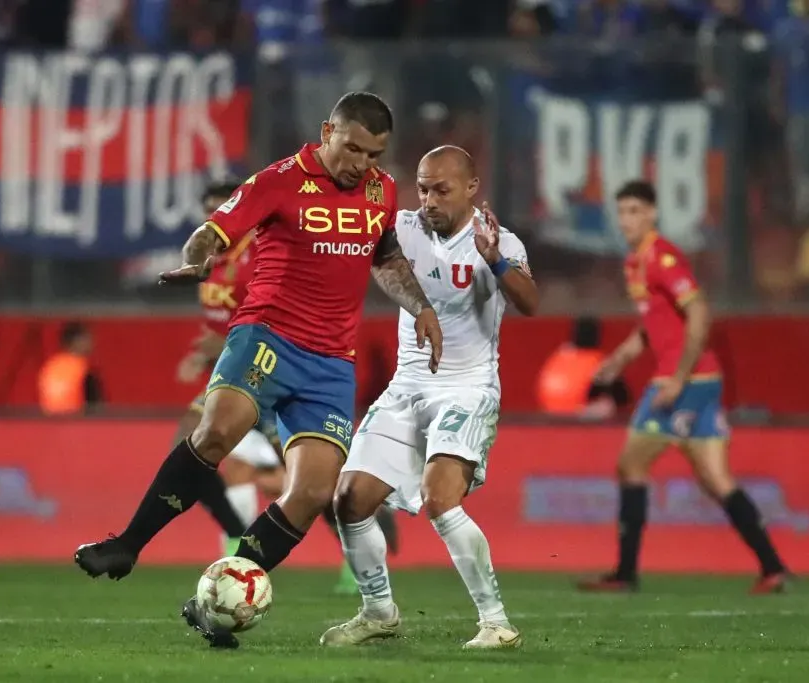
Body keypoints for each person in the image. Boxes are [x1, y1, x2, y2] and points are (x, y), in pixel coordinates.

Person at [74, 91, 442, 648]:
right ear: (327, 132)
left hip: (330, 365)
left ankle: (220, 597)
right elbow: (213, 232)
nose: (361, 164)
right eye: (352, 149)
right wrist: (198, 261)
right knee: (218, 430)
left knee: (314, 490)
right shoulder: (277, 181)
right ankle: (128, 543)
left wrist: (423, 308)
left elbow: (385, 258)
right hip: (267, 337)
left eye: (373, 154)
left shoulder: (380, 191)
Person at [320, 146, 538, 650]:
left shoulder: (498, 240)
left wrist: (496, 260)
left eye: (441, 189)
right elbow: (361, 249)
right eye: (422, 187)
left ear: (470, 187)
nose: (429, 199)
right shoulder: (404, 229)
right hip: (407, 387)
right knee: (350, 500)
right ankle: (378, 612)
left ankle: (496, 622)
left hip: (468, 387)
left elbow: (530, 303)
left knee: (441, 500)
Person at [175, 178, 399, 594]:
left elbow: (281, 318)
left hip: (280, 374)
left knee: (314, 485)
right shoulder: (216, 262)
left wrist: (222, 343)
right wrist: (206, 352)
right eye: (210, 208)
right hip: (237, 375)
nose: (217, 216)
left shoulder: (262, 252)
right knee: (188, 448)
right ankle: (232, 535)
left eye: (223, 206)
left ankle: (359, 550)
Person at [577, 180, 788, 594]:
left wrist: (677, 378)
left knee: (631, 465)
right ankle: (773, 567)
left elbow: (699, 313)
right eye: (622, 212)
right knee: (715, 479)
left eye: (636, 211)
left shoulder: (663, 257)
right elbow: (653, 325)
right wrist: (619, 360)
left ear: (653, 214)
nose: (627, 220)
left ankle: (625, 573)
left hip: (684, 382)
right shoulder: (634, 262)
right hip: (702, 381)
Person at [38, 321, 102, 415]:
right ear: (76, 341)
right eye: (87, 338)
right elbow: (95, 408)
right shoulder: (83, 369)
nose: (92, 342)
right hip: (77, 423)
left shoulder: (49, 367)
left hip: (49, 424)